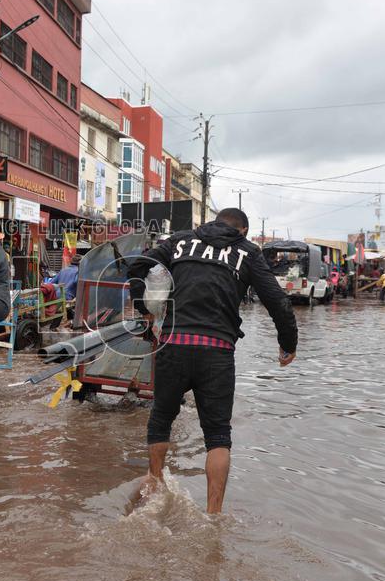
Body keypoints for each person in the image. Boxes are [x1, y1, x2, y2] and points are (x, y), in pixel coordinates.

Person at [126, 208, 298, 514]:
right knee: (218, 436)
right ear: (243, 231)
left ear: (213, 223)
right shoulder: (247, 252)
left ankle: (155, 482)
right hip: (216, 352)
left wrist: (144, 309)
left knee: (161, 420)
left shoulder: (179, 241)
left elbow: (138, 266)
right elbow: (277, 300)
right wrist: (288, 344)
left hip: (173, 345)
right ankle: (213, 516)